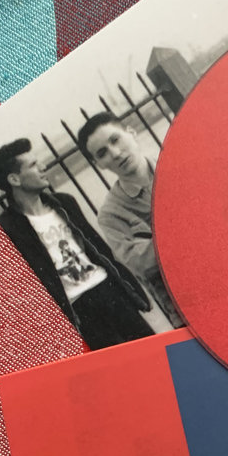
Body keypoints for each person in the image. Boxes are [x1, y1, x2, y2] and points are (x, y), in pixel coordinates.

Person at [0, 138, 154, 349]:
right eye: (33, 165)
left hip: (108, 289)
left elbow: (100, 249)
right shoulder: (8, 228)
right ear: (15, 179)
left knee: (152, 351)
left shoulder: (64, 202)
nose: (43, 167)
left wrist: (131, 289)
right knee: (117, 366)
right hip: (79, 309)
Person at [76, 111, 182, 325]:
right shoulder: (111, 215)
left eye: (115, 139)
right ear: (99, 164)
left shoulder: (179, 163)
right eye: (102, 153)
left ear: (132, 133)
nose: (115, 153)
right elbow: (143, 264)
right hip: (185, 307)